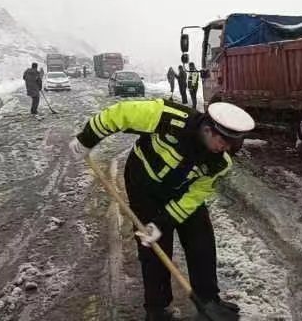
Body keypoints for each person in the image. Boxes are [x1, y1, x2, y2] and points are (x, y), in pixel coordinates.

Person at [69, 99, 253, 321]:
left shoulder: (221, 162)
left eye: (232, 145)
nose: (226, 150)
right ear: (208, 129)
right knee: (153, 246)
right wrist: (86, 140)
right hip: (143, 185)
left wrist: (164, 222)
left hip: (181, 191)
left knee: (201, 238)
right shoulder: (170, 116)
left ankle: (208, 299)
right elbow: (118, 114)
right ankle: (157, 309)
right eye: (224, 142)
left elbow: (195, 196)